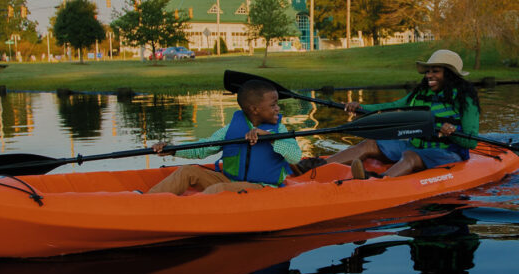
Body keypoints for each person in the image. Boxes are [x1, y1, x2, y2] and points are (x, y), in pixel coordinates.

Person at [298, 49, 479, 179]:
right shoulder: (420, 94)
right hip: (414, 145)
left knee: (410, 157)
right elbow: (391, 106)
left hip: (446, 152)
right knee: (370, 143)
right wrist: (361, 108)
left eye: (435, 71)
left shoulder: (466, 99)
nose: (429, 75)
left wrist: (453, 132)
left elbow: (471, 142)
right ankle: (318, 168)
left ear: (450, 74)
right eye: (428, 71)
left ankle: (378, 183)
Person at [145, 79, 300, 194]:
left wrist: (270, 137)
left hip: (261, 187)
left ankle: (188, 214)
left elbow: (295, 157)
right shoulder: (230, 130)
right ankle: (145, 202)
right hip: (230, 181)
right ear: (254, 109)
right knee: (187, 171)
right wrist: (173, 150)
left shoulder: (279, 129)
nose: (278, 109)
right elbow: (203, 149)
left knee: (219, 189)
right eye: (273, 105)